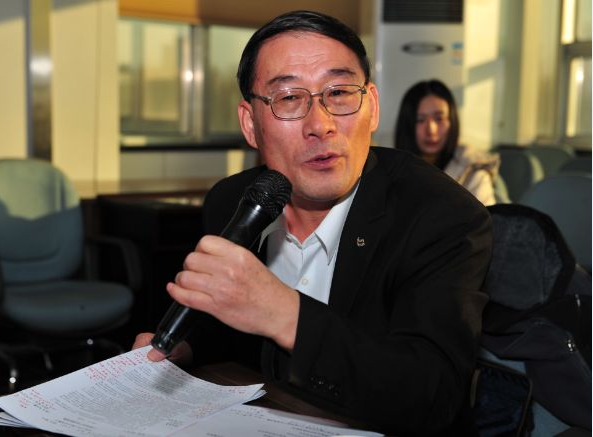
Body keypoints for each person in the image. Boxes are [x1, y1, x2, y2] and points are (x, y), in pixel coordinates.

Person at [133, 10, 493, 436]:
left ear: (372, 107)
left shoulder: (442, 215)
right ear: (250, 124)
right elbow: (229, 333)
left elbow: (433, 395)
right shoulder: (233, 201)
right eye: (288, 98)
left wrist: (285, 315)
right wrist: (185, 350)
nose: (320, 125)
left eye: (338, 93)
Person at [394, 79, 500, 206]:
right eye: (420, 120)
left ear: (452, 121)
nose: (431, 130)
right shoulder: (392, 170)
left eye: (439, 119)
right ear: (407, 125)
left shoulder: (474, 176)